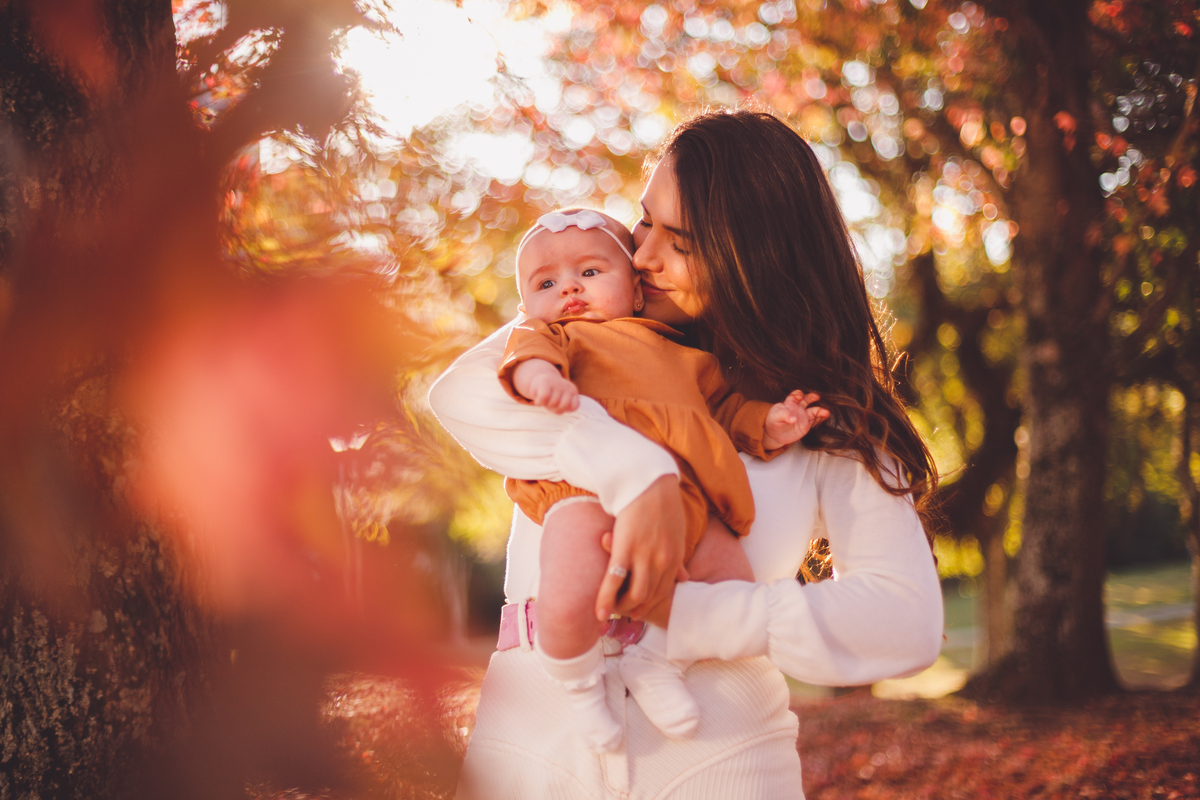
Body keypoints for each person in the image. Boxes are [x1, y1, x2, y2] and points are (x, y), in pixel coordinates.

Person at [430, 108, 944, 800]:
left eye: (682, 241)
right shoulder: (584, 326)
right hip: (530, 750)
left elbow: (904, 622)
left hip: (719, 759)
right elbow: (460, 396)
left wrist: (695, 615)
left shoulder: (824, 416)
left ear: (754, 259)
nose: (641, 256)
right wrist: (642, 477)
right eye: (645, 222)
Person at [498, 206, 827, 752]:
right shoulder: (555, 337)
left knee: (729, 586)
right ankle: (579, 686)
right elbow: (524, 354)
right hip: (585, 490)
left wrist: (770, 423)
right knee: (570, 587)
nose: (569, 290)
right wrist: (539, 379)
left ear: (634, 291)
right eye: (546, 283)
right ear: (528, 303)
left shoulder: (684, 356)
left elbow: (723, 409)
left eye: (590, 272)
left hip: (683, 493)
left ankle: (656, 659)